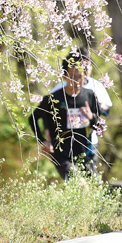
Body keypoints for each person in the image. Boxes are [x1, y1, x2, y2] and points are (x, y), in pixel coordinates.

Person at [30, 51, 101, 180]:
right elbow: (33, 118)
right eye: (73, 76)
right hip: (61, 155)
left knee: (94, 188)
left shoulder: (89, 96)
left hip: (85, 153)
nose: (77, 81)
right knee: (78, 183)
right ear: (64, 76)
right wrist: (43, 141)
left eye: (81, 76)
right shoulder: (54, 98)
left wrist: (91, 118)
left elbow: (100, 126)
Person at [51, 48, 113, 167]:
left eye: (87, 67)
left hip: (89, 141)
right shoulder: (60, 89)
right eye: (80, 68)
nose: (83, 71)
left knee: (89, 174)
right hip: (65, 142)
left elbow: (105, 112)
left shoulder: (97, 86)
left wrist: (95, 109)